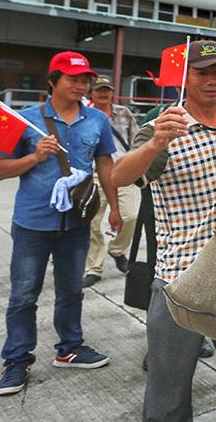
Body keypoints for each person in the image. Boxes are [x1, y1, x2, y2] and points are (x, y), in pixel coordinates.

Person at [112, 39, 216, 421]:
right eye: (202, 72)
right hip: (181, 278)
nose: (212, 80)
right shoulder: (161, 128)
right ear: (186, 76)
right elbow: (119, 176)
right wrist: (156, 145)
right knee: (168, 388)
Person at [0, 51, 119, 396]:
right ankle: (17, 359)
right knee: (23, 294)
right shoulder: (24, 119)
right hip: (32, 222)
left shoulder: (97, 120)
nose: (81, 85)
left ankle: (70, 348)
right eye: (72, 79)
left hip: (76, 222)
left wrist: (115, 207)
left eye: (85, 79)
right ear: (52, 82)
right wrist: (36, 156)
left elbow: (105, 164)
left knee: (71, 290)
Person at [82, 75, 140, 287]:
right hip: (95, 175)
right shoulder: (84, 115)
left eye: (107, 90)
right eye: (99, 90)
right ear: (92, 93)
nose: (103, 94)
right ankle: (94, 268)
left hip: (123, 172)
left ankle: (117, 250)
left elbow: (136, 141)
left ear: (112, 93)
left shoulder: (124, 113)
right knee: (93, 222)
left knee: (130, 216)